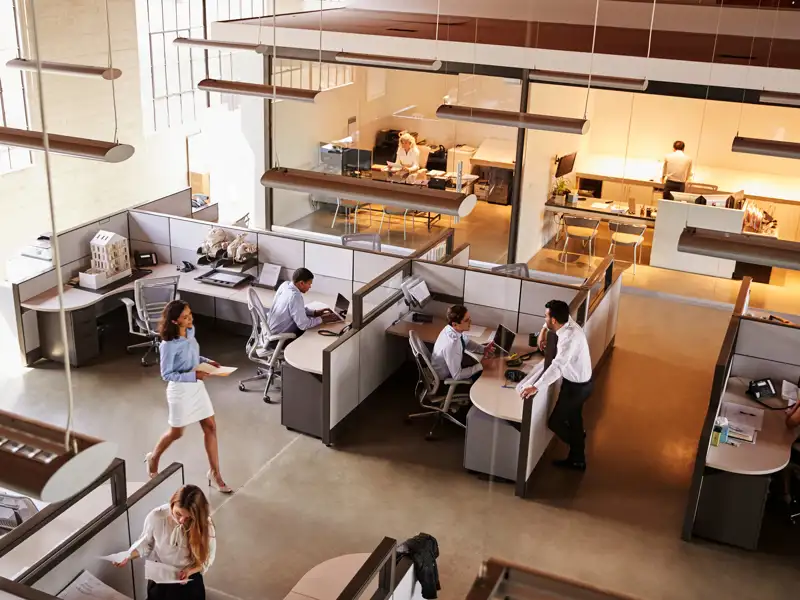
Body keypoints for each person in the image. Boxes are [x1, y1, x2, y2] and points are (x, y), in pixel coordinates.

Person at [145, 300, 231, 494]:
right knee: (176, 433)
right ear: (175, 321)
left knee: (210, 427)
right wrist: (194, 375)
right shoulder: (168, 345)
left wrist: (208, 362)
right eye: (185, 317)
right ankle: (154, 457)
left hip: (196, 387)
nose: (190, 318)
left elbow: (193, 357)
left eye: (190, 314)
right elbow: (166, 374)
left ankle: (215, 474)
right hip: (180, 390)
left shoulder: (190, 332)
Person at [518, 299, 593, 471]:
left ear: (553, 320)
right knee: (574, 420)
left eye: (546, 317)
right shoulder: (567, 322)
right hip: (579, 383)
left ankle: (578, 445)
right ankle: (577, 459)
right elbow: (549, 323)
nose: (544, 318)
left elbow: (558, 367)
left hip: (577, 388)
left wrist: (536, 386)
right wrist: (543, 330)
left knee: (556, 423)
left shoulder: (569, 339)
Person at [114, 485, 215, 600]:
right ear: (172, 504)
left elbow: (207, 558)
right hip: (160, 576)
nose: (181, 521)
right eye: (178, 514)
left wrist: (190, 571)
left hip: (188, 577)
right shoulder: (156, 517)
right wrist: (128, 555)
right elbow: (146, 543)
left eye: (188, 518)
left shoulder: (205, 526)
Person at [267, 268, 339, 336]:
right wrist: (323, 318)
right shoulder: (295, 296)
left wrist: (315, 312)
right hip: (278, 338)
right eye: (309, 284)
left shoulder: (285, 285)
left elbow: (296, 309)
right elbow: (304, 325)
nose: (310, 287)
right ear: (301, 283)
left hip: (269, 332)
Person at [431, 305, 490, 386]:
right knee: (485, 375)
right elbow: (457, 375)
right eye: (466, 320)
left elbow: (466, 342)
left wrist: (483, 349)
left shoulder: (450, 329)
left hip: (452, 368)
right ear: (455, 324)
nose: (470, 321)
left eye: (469, 318)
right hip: (445, 380)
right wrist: (481, 366)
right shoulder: (452, 344)